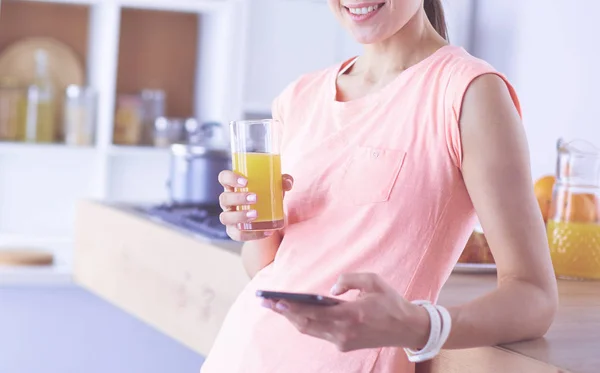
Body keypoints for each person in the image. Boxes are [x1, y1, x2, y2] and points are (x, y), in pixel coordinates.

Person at [202, 0, 558, 371]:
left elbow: (534, 298)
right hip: (241, 355)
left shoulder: (468, 92)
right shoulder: (298, 99)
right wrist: (254, 221)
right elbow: (270, 269)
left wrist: (418, 326)